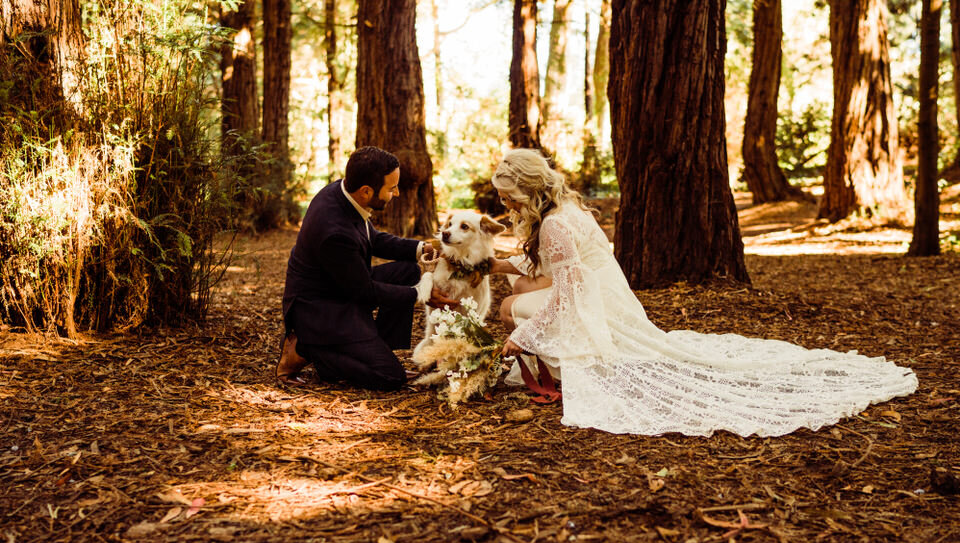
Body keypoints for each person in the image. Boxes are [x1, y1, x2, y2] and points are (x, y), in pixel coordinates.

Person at [488, 149, 918, 437]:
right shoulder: (565, 209)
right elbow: (553, 267)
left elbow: (565, 296)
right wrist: (501, 265)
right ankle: (550, 367)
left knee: (511, 306)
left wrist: (521, 336)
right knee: (515, 293)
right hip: (604, 293)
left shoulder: (555, 223)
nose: (506, 205)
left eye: (508, 197)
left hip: (591, 303)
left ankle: (561, 372)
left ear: (529, 188)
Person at [276, 146, 455, 391]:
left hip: (342, 286)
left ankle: (376, 347)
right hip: (322, 309)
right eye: (391, 189)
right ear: (366, 191)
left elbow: (374, 239)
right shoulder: (334, 232)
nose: (398, 193)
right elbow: (364, 292)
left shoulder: (341, 192)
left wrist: (422, 248)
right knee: (390, 376)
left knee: (408, 271)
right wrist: (420, 293)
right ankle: (310, 349)